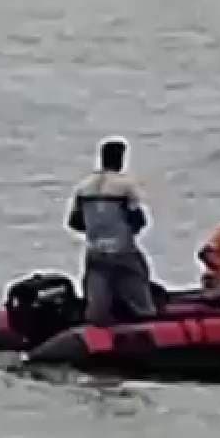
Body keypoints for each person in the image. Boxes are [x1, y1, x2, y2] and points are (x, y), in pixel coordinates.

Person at [65, 137, 156, 326]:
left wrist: (95, 230)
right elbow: (138, 220)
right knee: (140, 297)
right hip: (123, 249)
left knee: (97, 304)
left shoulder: (84, 187)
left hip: (95, 251)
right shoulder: (125, 186)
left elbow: (74, 222)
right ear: (121, 159)